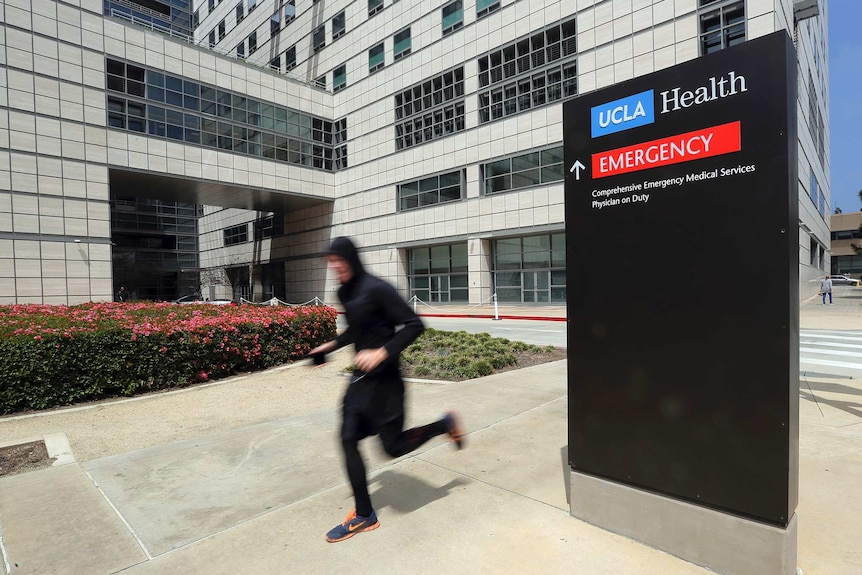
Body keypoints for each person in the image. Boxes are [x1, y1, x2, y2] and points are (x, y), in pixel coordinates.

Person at [308, 236, 465, 543]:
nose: (335, 268)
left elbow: (414, 324)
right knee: (347, 437)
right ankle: (365, 515)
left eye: (338, 262)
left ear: (351, 259)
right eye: (331, 264)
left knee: (391, 447)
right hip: (361, 381)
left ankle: (443, 425)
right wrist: (330, 346)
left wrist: (381, 352)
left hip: (387, 384)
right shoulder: (345, 291)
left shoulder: (378, 288)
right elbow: (357, 329)